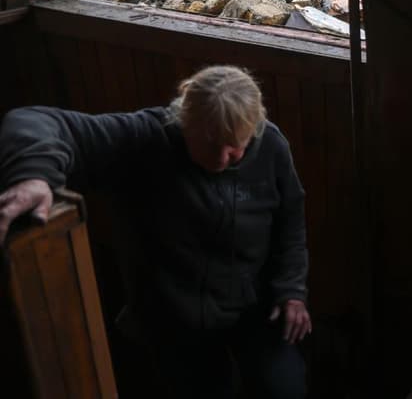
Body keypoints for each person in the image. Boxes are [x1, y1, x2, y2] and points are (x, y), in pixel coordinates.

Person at [0, 65, 311, 399]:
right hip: (176, 320)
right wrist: (33, 174)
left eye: (236, 146)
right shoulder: (148, 137)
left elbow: (290, 224)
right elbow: (32, 121)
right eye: (210, 144)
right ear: (184, 121)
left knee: (285, 389)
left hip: (254, 308)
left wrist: (291, 289)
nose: (223, 158)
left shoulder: (271, 144)